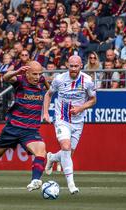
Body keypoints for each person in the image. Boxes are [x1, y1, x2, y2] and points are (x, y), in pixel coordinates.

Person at [0, 61, 50, 194]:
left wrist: (46, 111)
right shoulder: (20, 80)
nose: (37, 77)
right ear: (27, 73)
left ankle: (35, 180)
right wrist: (17, 72)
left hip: (30, 130)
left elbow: (50, 92)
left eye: (40, 74)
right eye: (34, 74)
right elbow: (5, 77)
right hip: (13, 127)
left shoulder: (42, 81)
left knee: (41, 150)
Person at [43, 56, 97, 194]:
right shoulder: (60, 79)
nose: (73, 69)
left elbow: (93, 100)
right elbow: (48, 95)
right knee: (66, 147)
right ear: (67, 65)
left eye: (76, 66)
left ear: (81, 66)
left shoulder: (88, 81)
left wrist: (80, 108)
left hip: (78, 121)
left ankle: (52, 157)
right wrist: (46, 114)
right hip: (62, 118)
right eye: (71, 66)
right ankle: (71, 185)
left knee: (68, 153)